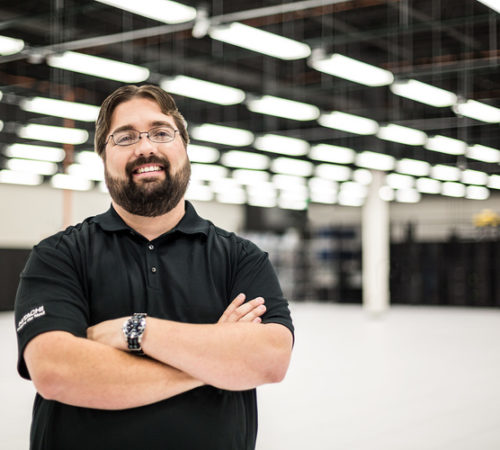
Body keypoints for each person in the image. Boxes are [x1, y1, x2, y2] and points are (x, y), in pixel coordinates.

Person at [14, 84, 294, 450]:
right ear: (103, 157)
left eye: (161, 132)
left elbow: (269, 361)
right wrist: (213, 362)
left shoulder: (241, 257)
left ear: (184, 148)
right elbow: (55, 372)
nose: (146, 146)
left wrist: (135, 330)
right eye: (125, 137)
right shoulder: (58, 255)